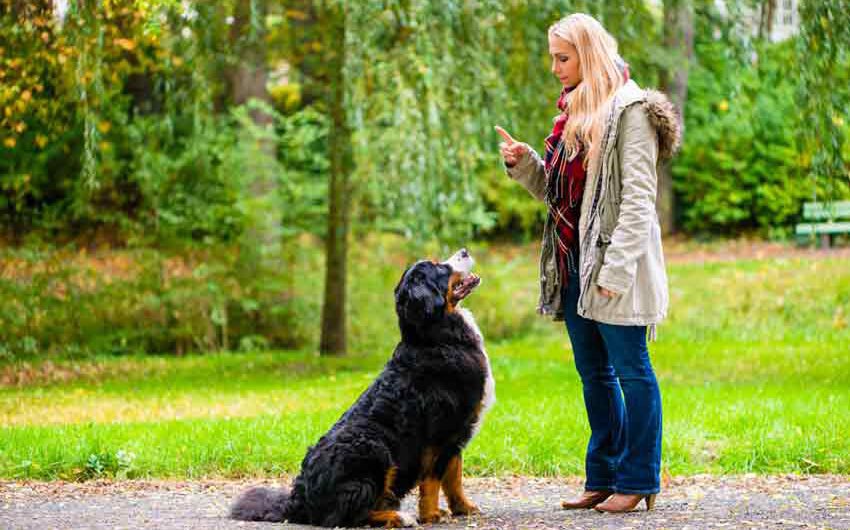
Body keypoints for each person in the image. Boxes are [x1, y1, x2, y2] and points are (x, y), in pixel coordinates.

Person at [495, 13, 680, 513]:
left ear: (588, 54)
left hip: (614, 267)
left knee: (631, 369)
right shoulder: (572, 114)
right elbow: (561, 197)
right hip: (573, 263)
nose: (555, 68)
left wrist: (615, 272)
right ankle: (603, 476)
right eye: (553, 57)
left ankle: (639, 478)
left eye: (563, 57)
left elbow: (640, 199)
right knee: (594, 374)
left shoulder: (631, 110)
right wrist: (526, 164)